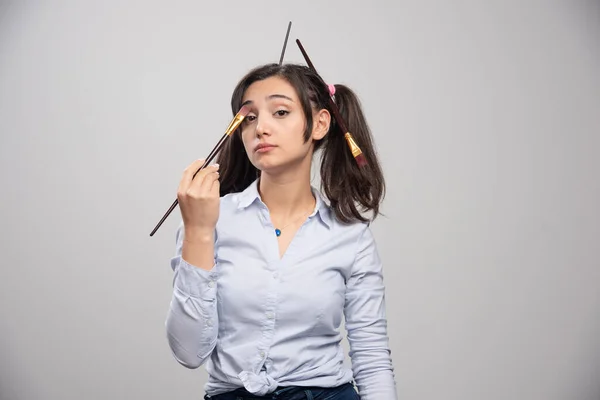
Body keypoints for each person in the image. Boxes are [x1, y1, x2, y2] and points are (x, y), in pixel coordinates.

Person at [165, 63, 397, 400]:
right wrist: (199, 232)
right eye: (248, 118)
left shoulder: (351, 235)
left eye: (281, 112)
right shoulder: (209, 218)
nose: (261, 128)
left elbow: (372, 358)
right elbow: (188, 353)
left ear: (319, 124)